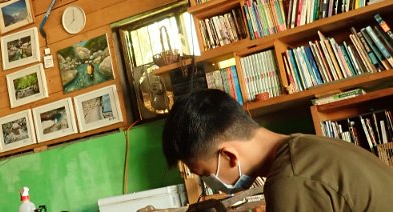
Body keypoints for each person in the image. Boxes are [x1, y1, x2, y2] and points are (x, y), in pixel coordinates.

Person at [162, 89, 393, 211]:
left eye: (205, 174)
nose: (211, 184)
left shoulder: (290, 179)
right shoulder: (310, 147)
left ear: (229, 156)